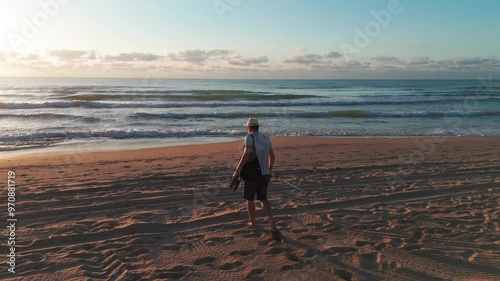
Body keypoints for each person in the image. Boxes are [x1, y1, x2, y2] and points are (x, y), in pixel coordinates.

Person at [232, 118, 281, 241]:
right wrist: (269, 169)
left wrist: (237, 170)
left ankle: (253, 223)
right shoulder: (266, 138)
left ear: (249, 128)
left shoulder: (250, 137)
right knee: (263, 199)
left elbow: (246, 155)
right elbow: (272, 156)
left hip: (253, 174)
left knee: (249, 198)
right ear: (258, 127)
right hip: (264, 173)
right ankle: (272, 223)